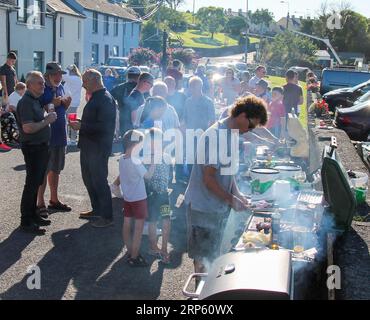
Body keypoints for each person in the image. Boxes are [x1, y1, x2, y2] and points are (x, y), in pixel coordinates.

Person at [185, 96, 268, 278]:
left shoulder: (231, 134)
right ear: (242, 115)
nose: (250, 130)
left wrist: (238, 194)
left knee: (214, 256)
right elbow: (208, 179)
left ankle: (209, 291)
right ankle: (201, 295)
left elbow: (227, 173)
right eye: (251, 125)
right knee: (203, 258)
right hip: (203, 207)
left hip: (217, 207)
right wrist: (232, 200)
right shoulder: (217, 137)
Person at [69, 69, 117, 228]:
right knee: (89, 179)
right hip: (89, 146)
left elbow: (105, 127)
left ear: (94, 81)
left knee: (99, 181)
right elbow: (95, 122)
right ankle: (97, 209)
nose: (82, 85)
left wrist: (82, 125)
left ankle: (107, 216)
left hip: (98, 147)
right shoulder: (97, 97)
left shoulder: (105, 99)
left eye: (84, 81)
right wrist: (82, 124)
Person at [16, 71, 57, 234]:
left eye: (43, 83)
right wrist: (47, 120)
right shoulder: (26, 102)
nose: (43, 85)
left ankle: (32, 215)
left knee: (36, 182)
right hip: (33, 147)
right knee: (32, 184)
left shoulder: (34, 99)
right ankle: (26, 221)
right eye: (40, 83)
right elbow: (27, 127)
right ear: (30, 84)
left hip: (40, 146)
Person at [36, 62, 72, 217]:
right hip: (46, 136)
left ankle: (54, 199)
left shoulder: (61, 87)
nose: (58, 77)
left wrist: (65, 103)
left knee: (56, 169)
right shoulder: (41, 89)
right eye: (55, 74)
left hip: (60, 135)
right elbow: (35, 111)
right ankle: (40, 203)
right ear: (47, 75)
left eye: (60, 74)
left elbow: (61, 107)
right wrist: (51, 103)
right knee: (43, 170)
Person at [120, 130, 155, 267]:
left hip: (128, 197)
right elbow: (148, 176)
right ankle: (134, 257)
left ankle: (130, 251)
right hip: (139, 198)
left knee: (127, 224)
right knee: (138, 228)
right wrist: (153, 163)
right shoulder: (136, 161)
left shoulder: (123, 158)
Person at [145, 128, 172, 264]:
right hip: (163, 193)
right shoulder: (166, 156)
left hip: (153, 194)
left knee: (153, 220)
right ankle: (164, 248)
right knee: (165, 218)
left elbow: (146, 177)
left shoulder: (149, 156)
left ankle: (154, 247)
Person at [110, 66, 141, 138]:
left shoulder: (119, 87)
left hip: (123, 120)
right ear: (139, 76)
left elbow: (108, 99)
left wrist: (116, 106)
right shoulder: (142, 88)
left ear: (127, 75)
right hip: (138, 121)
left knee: (125, 143)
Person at [0, 52, 18, 152]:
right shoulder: (3, 68)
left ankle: (12, 135)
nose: (13, 63)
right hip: (6, 94)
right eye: (12, 61)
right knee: (5, 112)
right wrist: (6, 93)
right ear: (8, 59)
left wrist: (18, 90)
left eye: (14, 61)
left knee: (12, 113)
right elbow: (3, 81)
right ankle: (4, 135)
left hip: (13, 93)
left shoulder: (13, 69)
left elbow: (16, 81)